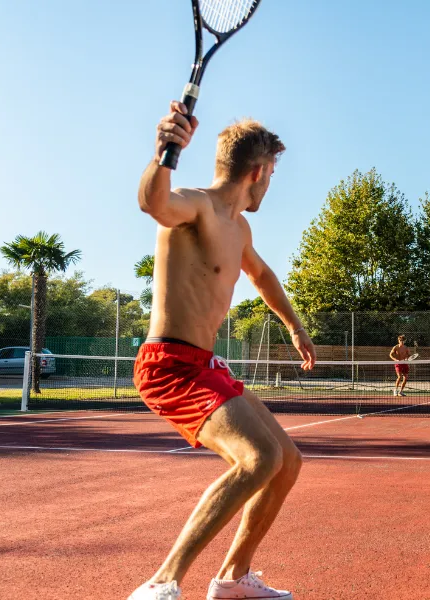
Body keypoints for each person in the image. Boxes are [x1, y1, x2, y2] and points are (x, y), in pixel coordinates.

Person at [128, 101, 316, 600]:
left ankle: (233, 578)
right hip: (168, 365)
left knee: (287, 460)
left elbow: (262, 275)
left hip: (204, 364)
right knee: (257, 458)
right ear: (257, 172)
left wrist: (294, 325)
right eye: (271, 174)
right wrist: (164, 154)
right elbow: (154, 203)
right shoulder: (195, 205)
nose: (270, 185)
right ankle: (161, 583)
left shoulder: (240, 228)